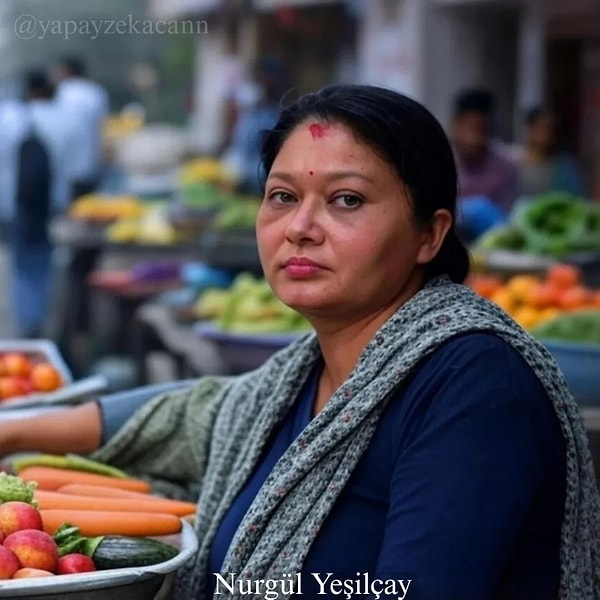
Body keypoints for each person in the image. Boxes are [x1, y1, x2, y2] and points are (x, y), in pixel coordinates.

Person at [1, 84, 599, 600]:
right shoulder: (303, 373)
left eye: (347, 200)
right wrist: (15, 429)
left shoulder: (474, 384)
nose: (300, 228)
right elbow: (192, 414)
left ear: (430, 235)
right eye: (283, 197)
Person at [0, 70, 73, 337]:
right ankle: (40, 319)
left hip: (17, 205)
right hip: (49, 204)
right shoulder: (63, 118)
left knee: (22, 265)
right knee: (42, 263)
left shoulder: (11, 117)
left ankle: (27, 321)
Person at [450, 89, 518, 240]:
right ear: (454, 127)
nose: (472, 139)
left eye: (480, 130)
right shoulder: (442, 163)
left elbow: (508, 222)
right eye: (468, 128)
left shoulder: (504, 168)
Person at [516, 106, 586, 198]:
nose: (545, 135)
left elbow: (577, 200)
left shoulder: (564, 168)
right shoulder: (515, 166)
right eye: (540, 128)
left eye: (549, 129)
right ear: (530, 130)